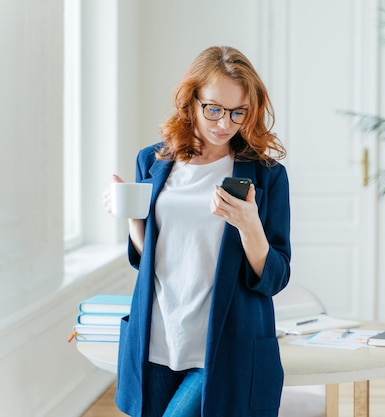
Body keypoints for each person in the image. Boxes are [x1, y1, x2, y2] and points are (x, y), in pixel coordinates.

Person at [103, 46, 291, 417]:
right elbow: (149, 258)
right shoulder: (153, 160)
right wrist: (129, 215)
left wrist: (249, 224)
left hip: (223, 343)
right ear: (191, 101)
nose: (225, 123)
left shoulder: (267, 175)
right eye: (214, 109)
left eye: (238, 112)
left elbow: (275, 277)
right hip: (158, 336)